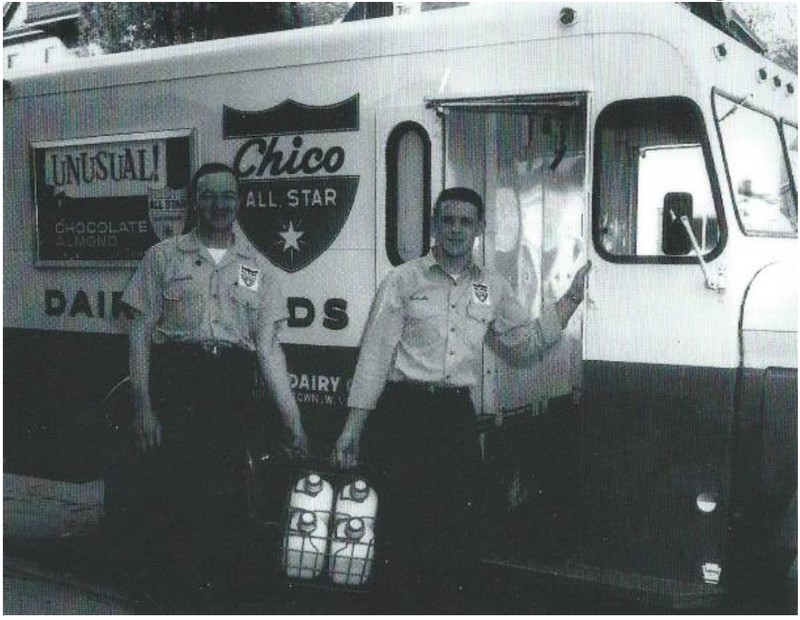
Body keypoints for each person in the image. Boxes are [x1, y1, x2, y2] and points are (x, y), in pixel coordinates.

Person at [331, 186, 590, 612]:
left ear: (479, 229)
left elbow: (524, 344)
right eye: (447, 220)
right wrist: (351, 430)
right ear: (435, 225)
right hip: (405, 413)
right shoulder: (403, 280)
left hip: (455, 418)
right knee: (399, 530)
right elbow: (375, 356)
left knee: (459, 532)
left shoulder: (493, 286)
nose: (455, 229)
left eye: (465, 221)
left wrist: (572, 299)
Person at [123, 162, 307, 610]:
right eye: (208, 195)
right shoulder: (163, 257)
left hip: (230, 392)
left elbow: (268, 352)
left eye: (227, 195)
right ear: (194, 202)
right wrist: (143, 407)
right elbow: (140, 333)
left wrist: (294, 423)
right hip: (178, 388)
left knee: (227, 504)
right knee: (172, 502)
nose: (218, 204)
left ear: (239, 201)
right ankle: (168, 602)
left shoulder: (259, 269)